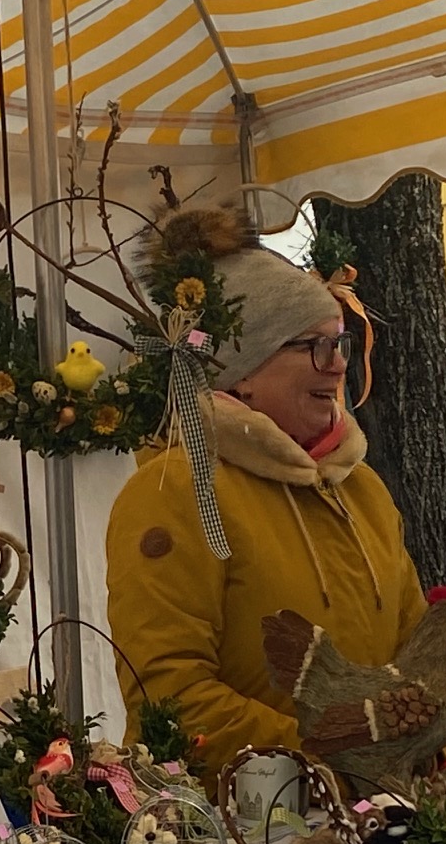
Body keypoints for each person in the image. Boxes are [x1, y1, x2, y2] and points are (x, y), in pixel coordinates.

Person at [107, 215, 427, 776]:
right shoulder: (175, 491)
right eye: (314, 347)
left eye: (340, 344)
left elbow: (418, 645)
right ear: (244, 369)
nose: (338, 365)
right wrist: (333, 756)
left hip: (375, 803)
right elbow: (168, 694)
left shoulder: (362, 491)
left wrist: (422, 740)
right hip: (235, 815)